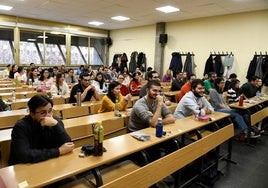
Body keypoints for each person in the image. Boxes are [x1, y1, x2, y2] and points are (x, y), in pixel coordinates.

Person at [9, 95, 74, 165]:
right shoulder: (21, 127)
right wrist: (58, 151)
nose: (48, 116)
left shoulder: (54, 121)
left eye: (50, 111)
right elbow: (24, 155)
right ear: (32, 114)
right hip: (24, 167)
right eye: (43, 113)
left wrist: (56, 125)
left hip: (47, 163)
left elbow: (69, 145)